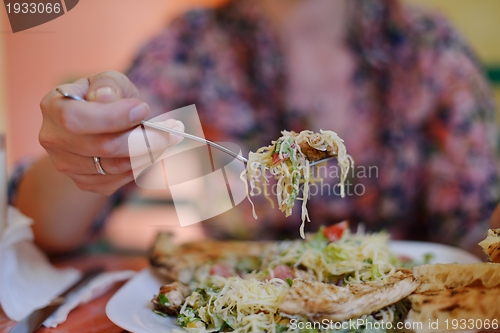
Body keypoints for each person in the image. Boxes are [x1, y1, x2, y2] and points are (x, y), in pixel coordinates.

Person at [10, 0, 499, 255]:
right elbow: (51, 229)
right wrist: (91, 138)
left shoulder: (426, 47)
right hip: (236, 305)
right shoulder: (191, 48)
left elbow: (476, 235)